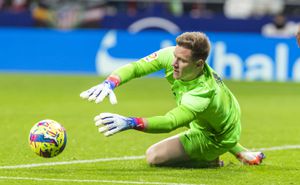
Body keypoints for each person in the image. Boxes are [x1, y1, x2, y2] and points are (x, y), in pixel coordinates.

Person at [80, 32, 265, 167]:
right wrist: (109, 83)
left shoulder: (202, 93)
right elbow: (136, 68)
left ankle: (212, 160)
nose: (174, 63)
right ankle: (242, 152)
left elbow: (170, 122)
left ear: (199, 64)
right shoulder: (173, 56)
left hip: (216, 136)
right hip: (220, 114)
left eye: (182, 61)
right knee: (199, 118)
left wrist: (130, 122)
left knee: (154, 157)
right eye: (175, 56)